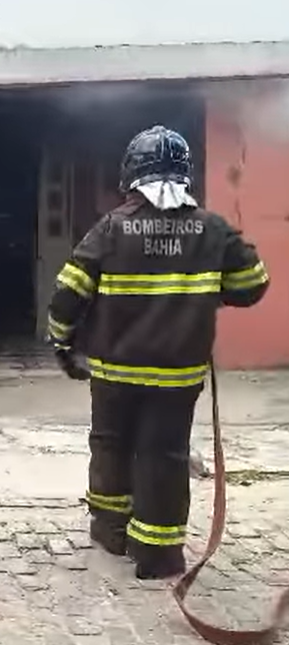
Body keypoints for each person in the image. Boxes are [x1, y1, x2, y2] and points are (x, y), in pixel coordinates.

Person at [47, 125, 270, 580]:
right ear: (185, 174)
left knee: (111, 445)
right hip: (178, 375)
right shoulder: (212, 229)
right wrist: (207, 291)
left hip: (115, 374)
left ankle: (111, 530)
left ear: (131, 173)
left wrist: (63, 343)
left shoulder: (111, 227)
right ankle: (158, 556)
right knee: (164, 455)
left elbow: (69, 292)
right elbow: (253, 285)